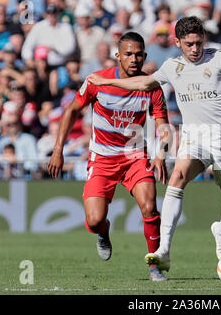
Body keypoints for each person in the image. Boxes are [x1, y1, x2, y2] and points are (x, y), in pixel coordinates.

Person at [86, 16, 221, 272]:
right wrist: (106, 81)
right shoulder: (172, 67)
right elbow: (143, 82)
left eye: (198, 43)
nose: (195, 49)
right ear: (178, 42)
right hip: (195, 138)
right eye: (189, 44)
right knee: (177, 177)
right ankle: (164, 251)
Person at [47, 32, 170, 282]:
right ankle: (103, 232)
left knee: (149, 206)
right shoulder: (97, 81)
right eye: (128, 54)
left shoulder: (151, 86)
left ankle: (154, 265)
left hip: (135, 155)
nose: (134, 59)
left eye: (138, 54)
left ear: (145, 56)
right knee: (94, 221)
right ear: (117, 56)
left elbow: (163, 125)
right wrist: (58, 150)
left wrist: (161, 152)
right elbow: (71, 111)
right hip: (102, 157)